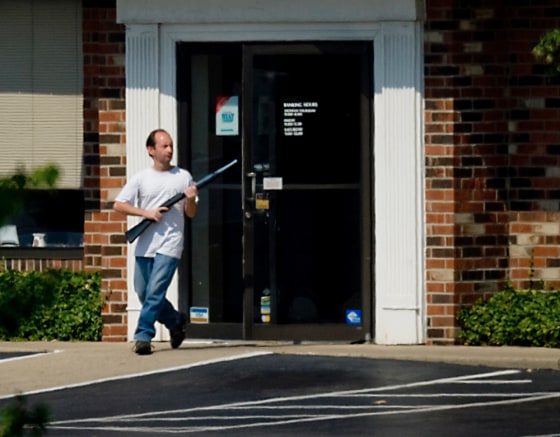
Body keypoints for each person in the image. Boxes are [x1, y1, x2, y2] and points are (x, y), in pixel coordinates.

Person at [114, 129, 198, 355]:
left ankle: (143, 336)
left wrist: (191, 200)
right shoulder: (141, 178)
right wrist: (146, 213)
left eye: (171, 146)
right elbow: (119, 204)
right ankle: (174, 321)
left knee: (154, 291)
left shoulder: (183, 177)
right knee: (143, 293)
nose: (169, 150)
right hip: (145, 243)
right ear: (151, 150)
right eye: (164, 146)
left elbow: (190, 213)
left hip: (171, 244)